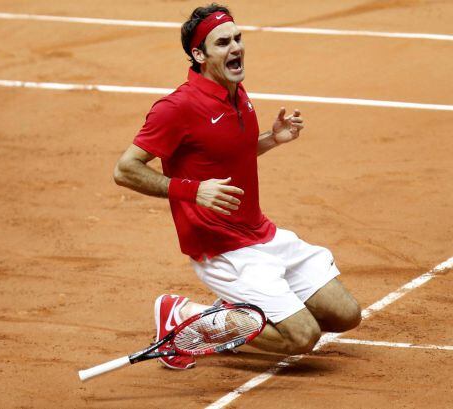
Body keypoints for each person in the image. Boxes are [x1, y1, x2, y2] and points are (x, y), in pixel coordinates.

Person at [113, 3, 361, 370]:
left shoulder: (236, 91)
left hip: (261, 234)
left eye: (238, 38)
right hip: (223, 251)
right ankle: (187, 317)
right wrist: (192, 191)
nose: (236, 48)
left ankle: (232, 313)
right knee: (301, 337)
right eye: (223, 42)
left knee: (345, 315)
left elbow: (225, 153)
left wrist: (271, 139)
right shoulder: (176, 107)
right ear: (199, 55)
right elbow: (125, 170)